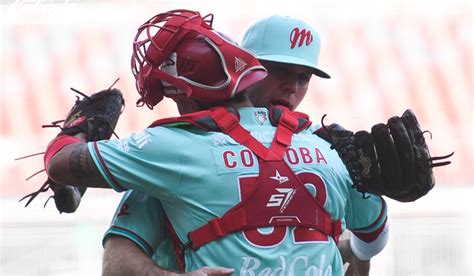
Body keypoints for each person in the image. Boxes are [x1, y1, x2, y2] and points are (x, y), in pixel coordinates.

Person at [46, 10, 388, 275]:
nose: (292, 88)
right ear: (245, 66)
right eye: (278, 71)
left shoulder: (174, 150)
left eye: (303, 77)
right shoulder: (329, 148)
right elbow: (118, 260)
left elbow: (362, 252)